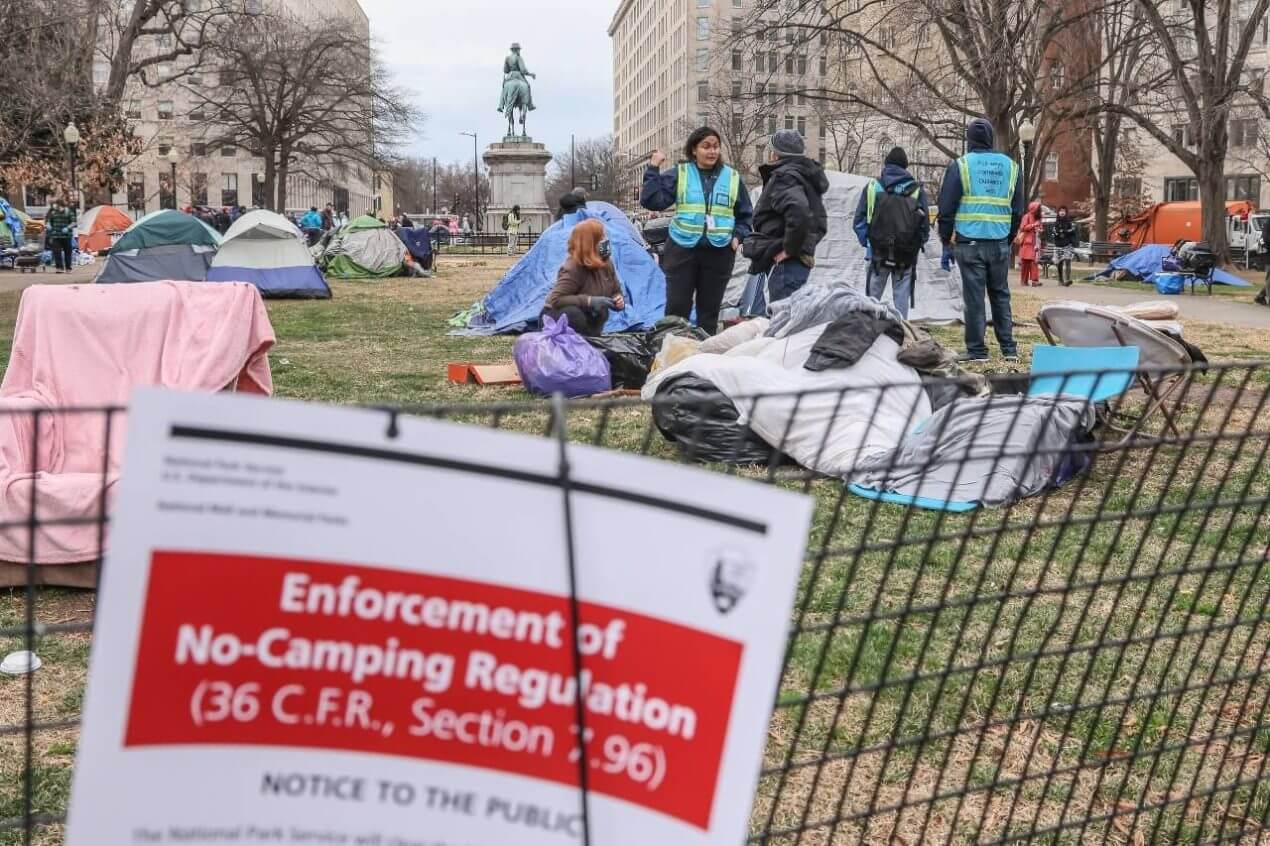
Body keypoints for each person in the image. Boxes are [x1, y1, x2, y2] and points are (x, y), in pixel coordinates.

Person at [641, 125, 754, 335]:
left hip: (719, 252)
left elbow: (746, 215)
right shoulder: (681, 173)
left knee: (709, 312)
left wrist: (738, 236)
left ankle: (703, 357)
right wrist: (653, 169)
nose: (712, 151)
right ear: (694, 150)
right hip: (682, 250)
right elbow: (652, 201)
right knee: (677, 309)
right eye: (706, 146)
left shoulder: (732, 177)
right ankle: (673, 353)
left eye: (715, 147)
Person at [937, 117, 1023, 362]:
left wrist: (946, 241)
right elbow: (1018, 209)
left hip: (970, 242)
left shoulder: (961, 165)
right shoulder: (1011, 167)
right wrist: (1008, 237)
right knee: (1000, 294)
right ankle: (1009, 349)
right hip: (998, 242)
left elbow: (946, 207)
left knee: (974, 298)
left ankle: (977, 351)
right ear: (991, 139)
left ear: (969, 140)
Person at [743, 129, 829, 308]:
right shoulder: (805, 177)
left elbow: (799, 213)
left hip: (785, 264)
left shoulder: (785, 177)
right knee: (790, 319)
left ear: (776, 154)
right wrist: (804, 246)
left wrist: (789, 249)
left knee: (783, 321)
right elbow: (819, 224)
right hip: (795, 262)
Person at [852, 145, 929, 318]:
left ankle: (868, 331)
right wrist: (915, 246)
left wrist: (870, 242)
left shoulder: (873, 187)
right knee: (901, 298)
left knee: (871, 301)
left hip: (877, 253)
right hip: (906, 255)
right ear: (905, 167)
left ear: (886, 165)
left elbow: (859, 221)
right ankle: (901, 333)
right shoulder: (917, 191)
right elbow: (924, 227)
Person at [541, 218, 624, 336]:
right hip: (556, 319)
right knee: (573, 314)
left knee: (602, 310)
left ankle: (590, 340)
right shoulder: (573, 267)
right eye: (601, 238)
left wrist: (618, 300)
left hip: (589, 318)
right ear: (590, 243)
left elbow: (616, 291)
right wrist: (589, 301)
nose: (605, 241)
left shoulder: (607, 264)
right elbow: (556, 300)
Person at [44, 199, 76, 273]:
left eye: (57, 205)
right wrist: (48, 225)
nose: (55, 206)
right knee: (57, 252)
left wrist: (68, 228)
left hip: (66, 236)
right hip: (56, 235)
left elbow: (73, 223)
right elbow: (49, 221)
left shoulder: (68, 212)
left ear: (61, 205)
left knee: (68, 252)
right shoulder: (53, 212)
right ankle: (59, 268)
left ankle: (68, 268)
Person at [1017, 201, 1043, 287]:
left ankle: (1035, 281)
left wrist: (1040, 229)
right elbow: (1022, 227)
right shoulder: (1026, 216)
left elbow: (1041, 227)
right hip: (1027, 242)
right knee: (1025, 262)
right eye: (1038, 208)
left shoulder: (1038, 217)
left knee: (1034, 261)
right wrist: (1033, 225)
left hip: (1035, 242)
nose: (1039, 210)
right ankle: (1024, 281)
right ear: (1033, 208)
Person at [1052, 206, 1077, 286]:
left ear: (1066, 213)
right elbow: (1053, 234)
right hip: (1058, 245)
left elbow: (1072, 232)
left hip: (1067, 245)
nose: (1062, 212)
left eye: (1064, 211)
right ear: (1058, 212)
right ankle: (1060, 280)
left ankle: (1067, 279)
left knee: (1067, 261)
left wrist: (1066, 232)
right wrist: (1057, 233)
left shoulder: (1069, 222)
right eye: (1060, 211)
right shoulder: (1055, 223)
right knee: (1059, 263)